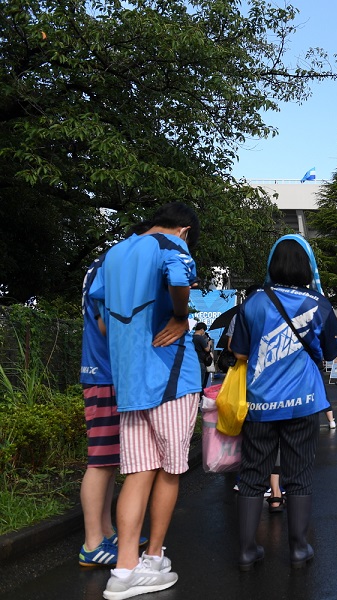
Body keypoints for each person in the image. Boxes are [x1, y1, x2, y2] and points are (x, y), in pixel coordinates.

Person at [89, 202, 202, 600]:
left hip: (130, 383)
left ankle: (123, 569)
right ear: (185, 229)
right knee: (170, 471)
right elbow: (177, 276)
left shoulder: (115, 252)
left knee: (137, 473)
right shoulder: (172, 243)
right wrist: (180, 316)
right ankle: (153, 558)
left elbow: (100, 315)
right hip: (171, 378)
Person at [229, 234, 337, 571]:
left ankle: (248, 551)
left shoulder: (253, 302)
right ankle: (298, 548)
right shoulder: (318, 304)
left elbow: (238, 352)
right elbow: (335, 353)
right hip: (303, 403)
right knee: (300, 474)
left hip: (260, 404)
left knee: (252, 474)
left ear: (273, 264)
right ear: (309, 266)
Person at [78, 243, 149, 568]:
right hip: (105, 374)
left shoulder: (100, 267)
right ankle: (93, 543)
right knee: (101, 461)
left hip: (102, 374)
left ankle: (104, 532)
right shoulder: (109, 270)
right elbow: (109, 325)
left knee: (106, 460)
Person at [192, 322, 213, 389]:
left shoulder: (191, 337)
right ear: (202, 329)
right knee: (201, 382)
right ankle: (200, 397)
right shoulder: (200, 338)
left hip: (193, 361)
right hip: (201, 361)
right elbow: (207, 349)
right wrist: (209, 343)